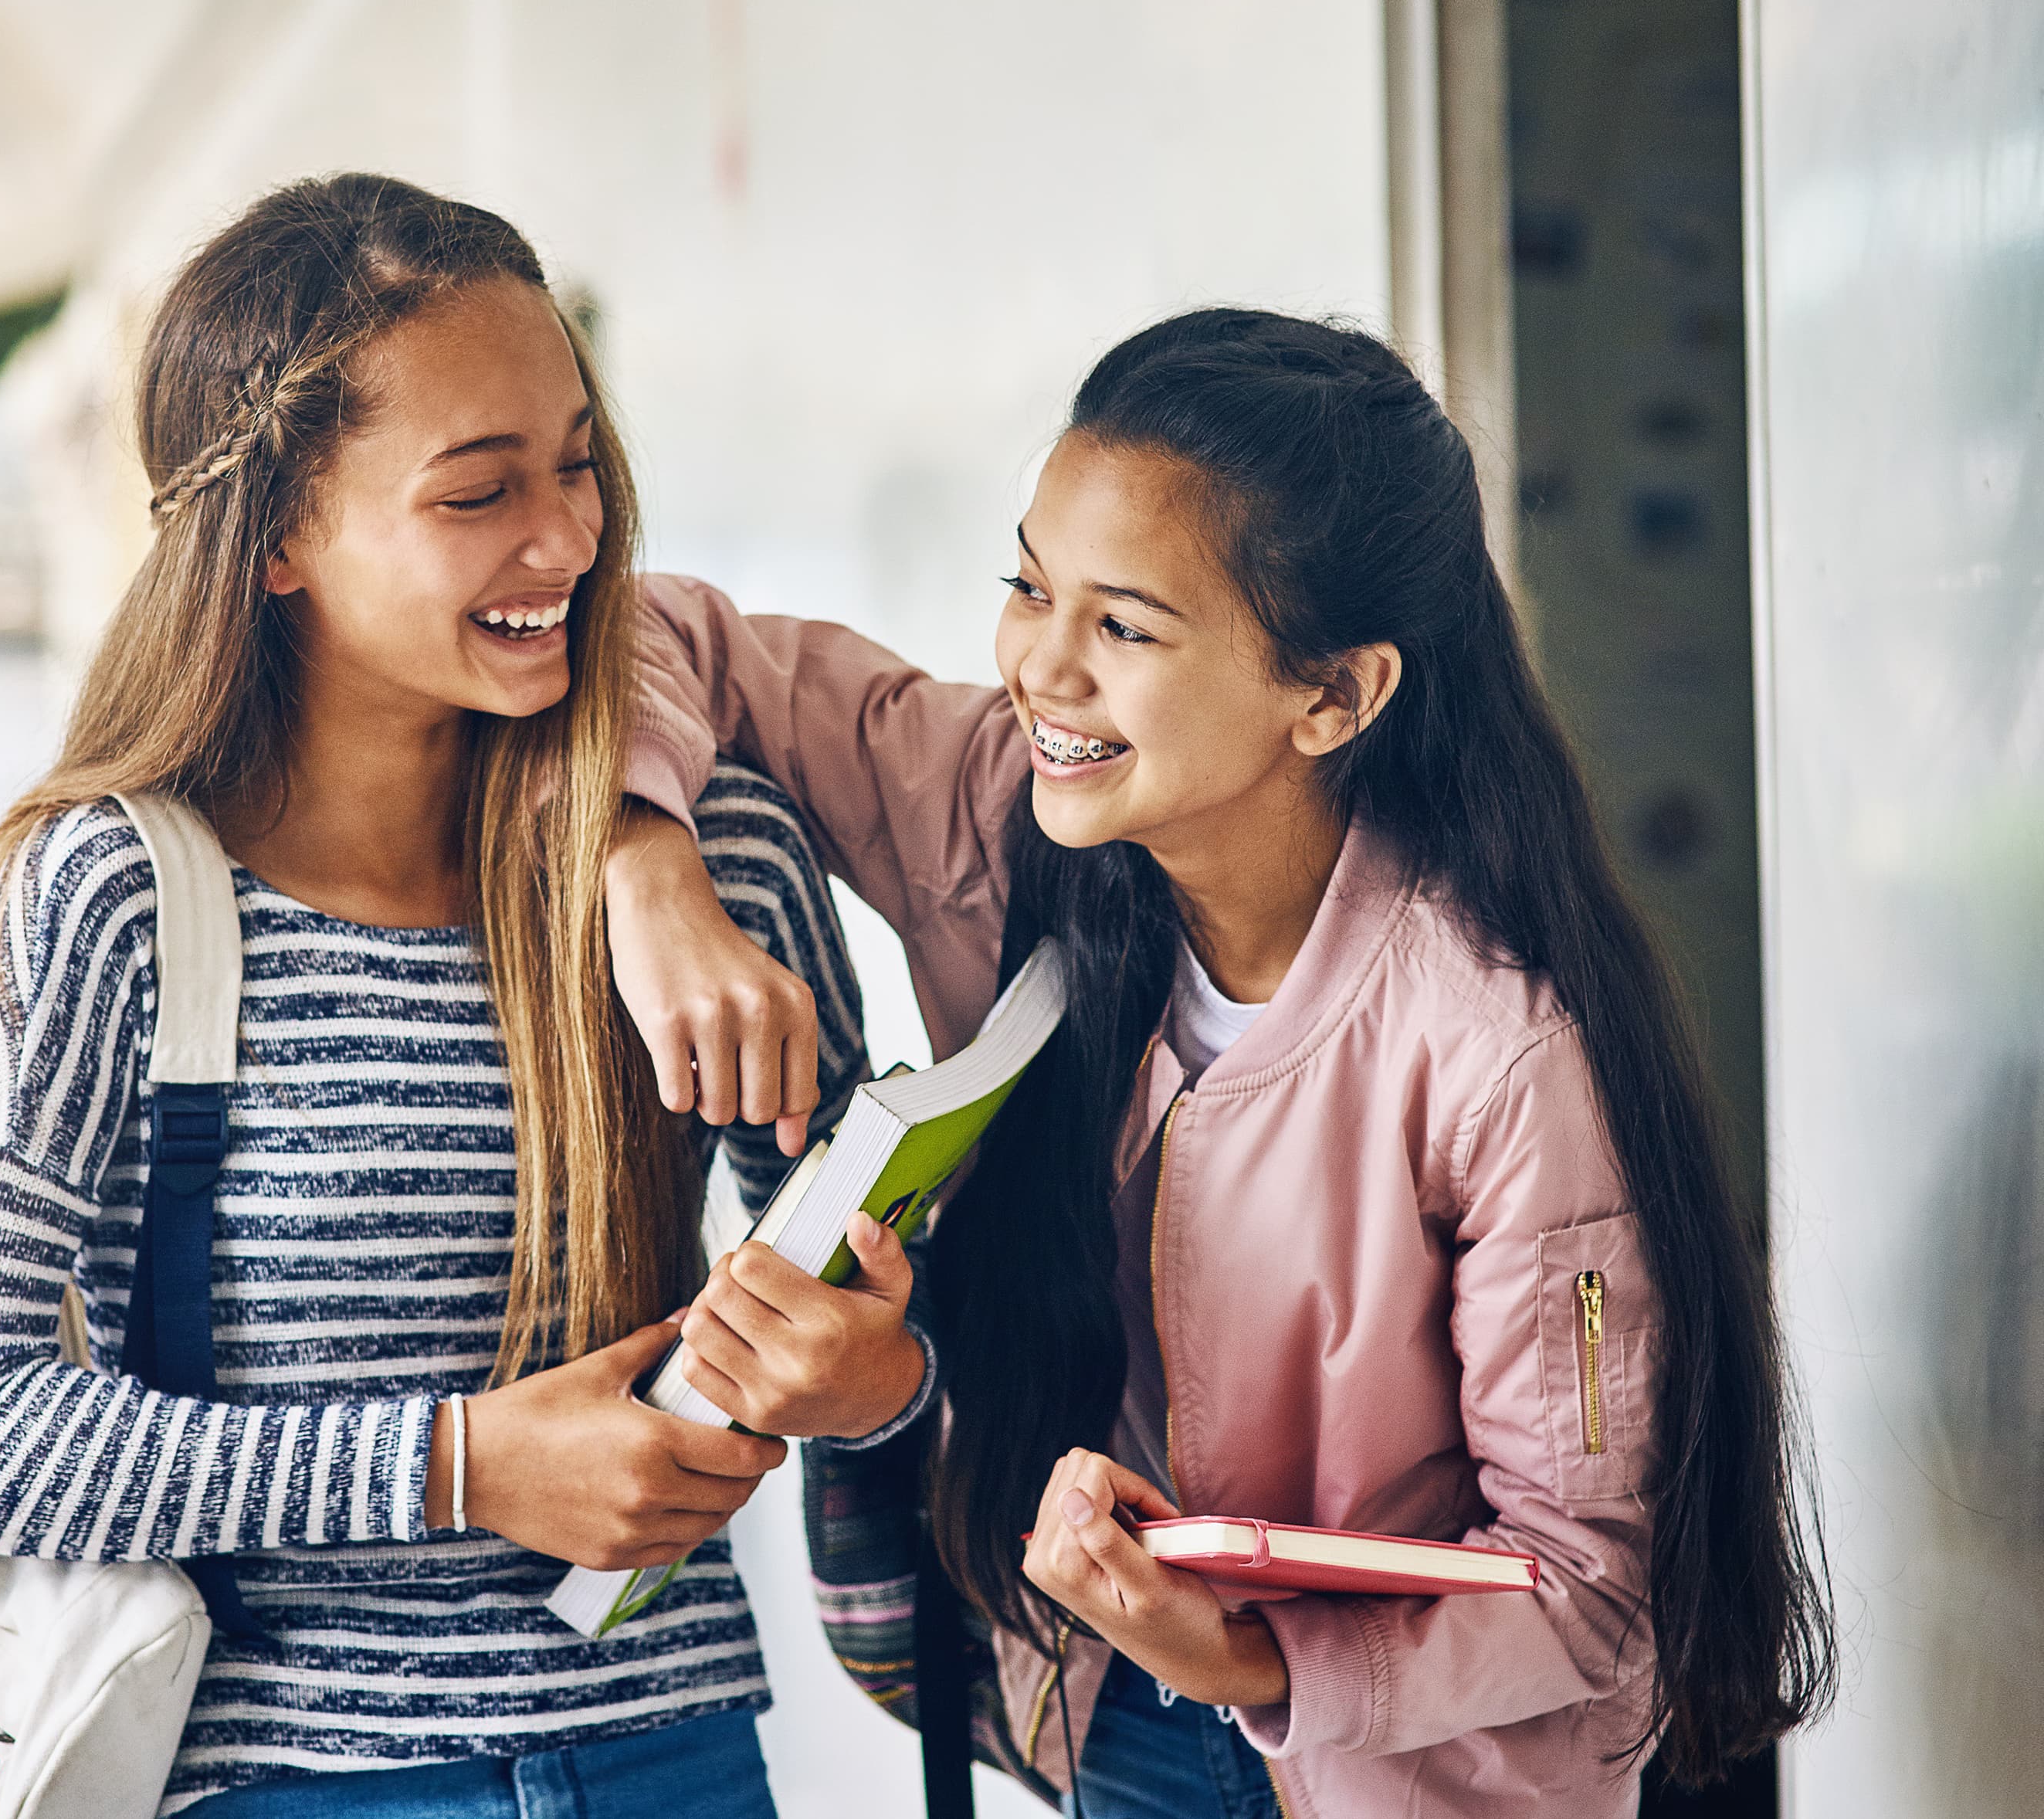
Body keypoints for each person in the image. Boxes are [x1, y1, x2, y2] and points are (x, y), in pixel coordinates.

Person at [598, 311, 1834, 1816]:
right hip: (1112, 1725)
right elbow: (657, 631)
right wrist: (645, 864)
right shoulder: (994, 807)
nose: (1041, 672)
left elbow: (1585, 1596)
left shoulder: (1499, 1054)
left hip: (1404, 1776)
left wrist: (1256, 1659)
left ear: (1336, 695)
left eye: (1123, 628)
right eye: (1027, 588)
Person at [0, 174, 916, 1817]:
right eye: (478, 493)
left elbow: (893, 1330)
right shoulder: (112, 900)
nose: (567, 539)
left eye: (578, 464)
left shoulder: (716, 867)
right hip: (290, 1783)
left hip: (680, 1762)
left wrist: (875, 1382)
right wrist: (465, 1466)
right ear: (276, 536)